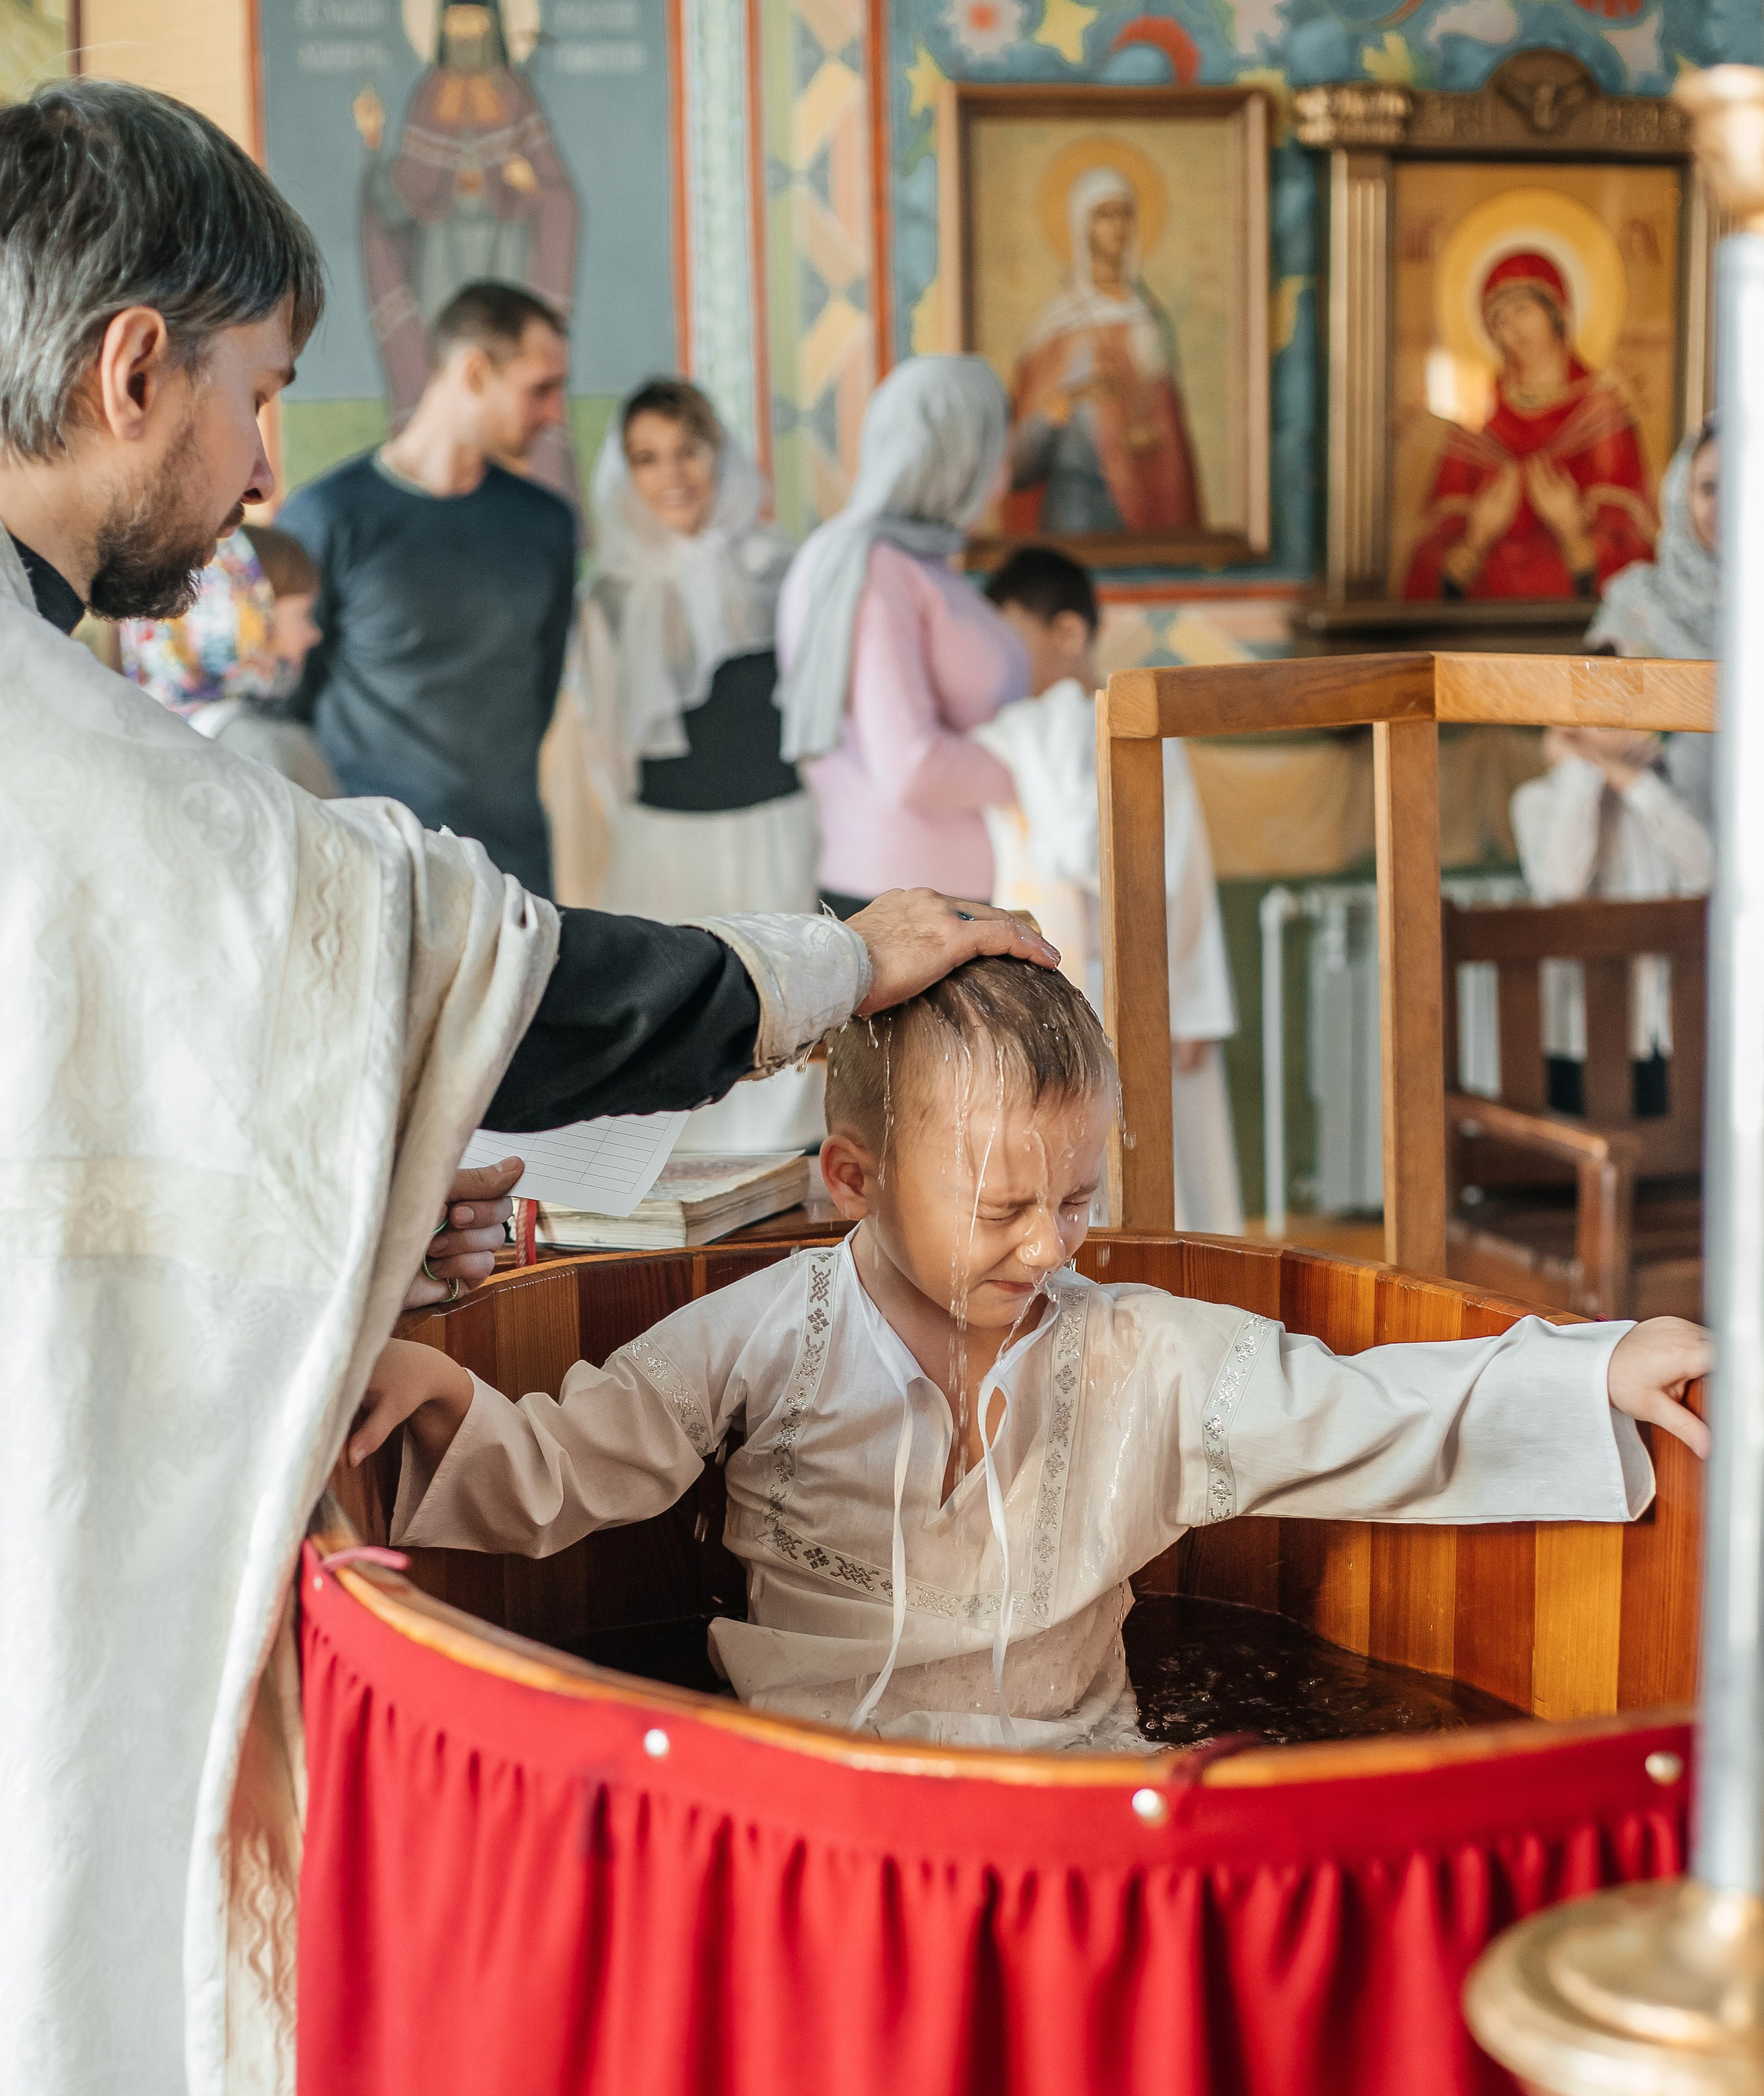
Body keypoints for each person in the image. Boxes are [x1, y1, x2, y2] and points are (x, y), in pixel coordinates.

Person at [0, 81, 1055, 2096]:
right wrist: (841, 962)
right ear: (130, 371)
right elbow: (444, 964)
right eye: (237, 402)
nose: (246, 472)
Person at [353, 955, 1710, 1751]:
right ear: (853, 1175)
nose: (1050, 1247)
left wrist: (1591, 1369)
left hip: (1086, 1793)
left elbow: (1367, 1410)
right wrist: (439, 1392)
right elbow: (568, 1462)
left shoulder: (1142, 1359)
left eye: (1075, 1201)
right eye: (1001, 1209)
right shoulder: (767, 1337)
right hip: (817, 1789)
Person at [572, 374, 822, 1149]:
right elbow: (601, 748)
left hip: (775, 832)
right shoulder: (607, 595)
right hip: (664, 846)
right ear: (625, 475)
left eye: (688, 450)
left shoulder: (781, 569)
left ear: (720, 455)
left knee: (789, 1040)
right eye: (648, 457)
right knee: (680, 1053)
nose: (672, 474)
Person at [975, 544, 1243, 1233]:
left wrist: (1192, 1006)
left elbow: (1175, 874)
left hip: (1138, 977)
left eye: (1010, 640)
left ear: (1069, 632)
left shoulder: (1114, 722)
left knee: (1163, 1169)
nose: (998, 661)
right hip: (1051, 979)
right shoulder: (1012, 733)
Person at [280, 277, 577, 891]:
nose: (554, 413)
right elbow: (286, 706)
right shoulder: (327, 518)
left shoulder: (546, 524)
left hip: (515, 872)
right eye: (540, 389)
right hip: (376, 868)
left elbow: (539, 692)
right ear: (472, 372)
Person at [1509, 421, 1719, 1114]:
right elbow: (1581, 713)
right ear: (1680, 492)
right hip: (1676, 837)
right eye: (1711, 487)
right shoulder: (1640, 602)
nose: (1729, 506)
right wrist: (1606, 760)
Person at [776, 353, 1029, 910]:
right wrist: (1051, 765)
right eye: (998, 455)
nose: (1004, 483)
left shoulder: (910, 558)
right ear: (953, 455)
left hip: (942, 893)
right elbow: (911, 766)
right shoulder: (871, 565)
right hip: (916, 906)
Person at [356, 0, 579, 501]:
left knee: (510, 363)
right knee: (454, 359)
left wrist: (530, 187)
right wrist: (374, 146)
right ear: (441, 31)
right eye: (456, 25)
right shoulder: (429, 95)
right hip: (442, 248)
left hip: (505, 246)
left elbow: (557, 192)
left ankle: (513, 483)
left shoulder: (518, 96)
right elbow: (404, 191)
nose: (466, 35)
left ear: (494, 28)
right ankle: (446, 473)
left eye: (476, 24)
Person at [1403, 250, 1654, 603]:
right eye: (1499, 321)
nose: (1512, 330)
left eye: (1522, 311)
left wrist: (1571, 529)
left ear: (1556, 313)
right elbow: (1427, 569)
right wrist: (1477, 536)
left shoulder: (1601, 414)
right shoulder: (1476, 422)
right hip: (1480, 628)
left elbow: (1634, 558)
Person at [1006, 166, 1202, 538]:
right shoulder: (1056, 326)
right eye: (1104, 216)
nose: (1118, 227)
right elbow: (1021, 457)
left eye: (1125, 214)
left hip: (1146, 501)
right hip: (1074, 501)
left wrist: (1151, 434)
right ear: (1082, 225)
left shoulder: (1151, 319)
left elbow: (1169, 423)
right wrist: (1070, 397)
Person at [120, 520, 340, 795]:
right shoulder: (277, 751)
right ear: (248, 627)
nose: (314, 635)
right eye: (304, 615)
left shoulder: (129, 738)